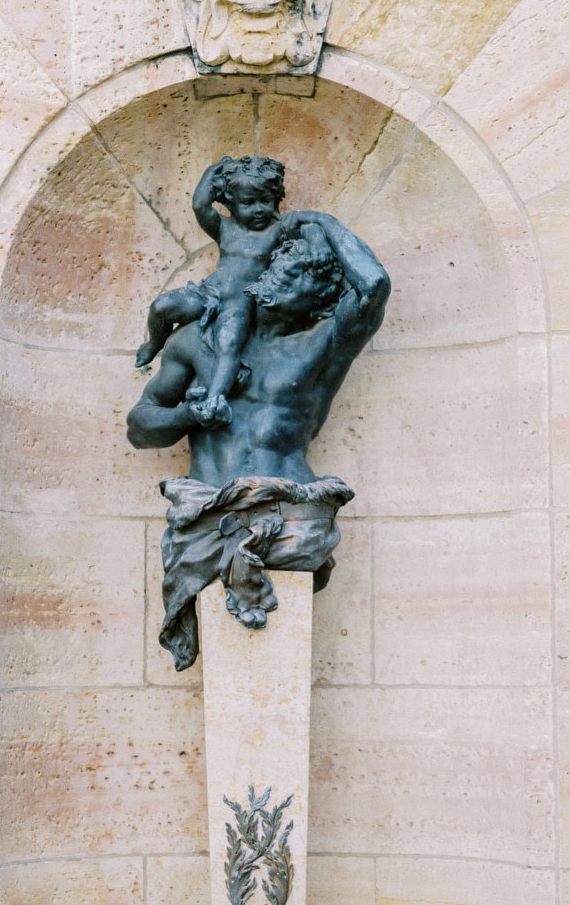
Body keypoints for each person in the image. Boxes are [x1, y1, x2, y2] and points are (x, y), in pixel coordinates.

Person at [127, 193, 390, 668]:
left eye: (301, 273)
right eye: (281, 264)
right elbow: (140, 427)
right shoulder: (198, 341)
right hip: (208, 515)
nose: (282, 273)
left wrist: (318, 218)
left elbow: (373, 285)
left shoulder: (320, 345)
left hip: (293, 519)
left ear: (321, 296)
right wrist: (190, 417)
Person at [134, 154, 289, 428]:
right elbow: (200, 205)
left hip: (241, 302)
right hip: (210, 292)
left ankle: (216, 397)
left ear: (276, 200)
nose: (258, 209)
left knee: (228, 344)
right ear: (231, 203)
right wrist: (215, 171)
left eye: (265, 201)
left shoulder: (278, 232)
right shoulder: (226, 228)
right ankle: (154, 343)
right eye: (248, 203)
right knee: (161, 306)